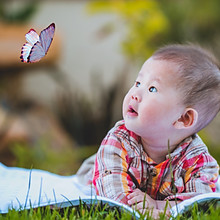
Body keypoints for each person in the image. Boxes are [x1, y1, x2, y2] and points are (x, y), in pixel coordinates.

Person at [78, 44, 220, 217]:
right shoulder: (118, 140)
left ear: (184, 119)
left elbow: (200, 201)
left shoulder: (197, 160)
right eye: (138, 83)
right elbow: (112, 193)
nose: (135, 93)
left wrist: (160, 207)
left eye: (152, 88)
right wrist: (140, 209)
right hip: (100, 173)